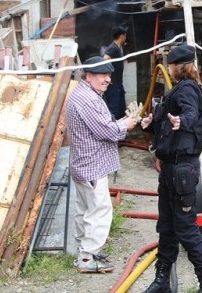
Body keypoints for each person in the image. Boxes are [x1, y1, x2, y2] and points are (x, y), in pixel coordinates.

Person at [140, 44, 202, 293]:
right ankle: (162, 281)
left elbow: (191, 114)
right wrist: (151, 124)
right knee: (167, 226)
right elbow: (168, 125)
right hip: (170, 168)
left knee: (185, 226)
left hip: (183, 169)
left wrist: (181, 120)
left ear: (178, 67)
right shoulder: (176, 92)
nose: (169, 71)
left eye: (171, 66)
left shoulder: (187, 90)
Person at [67, 56, 138, 273]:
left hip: (84, 163)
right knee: (100, 211)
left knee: (85, 210)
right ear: (88, 76)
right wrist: (127, 124)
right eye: (102, 75)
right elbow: (106, 131)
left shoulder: (85, 94)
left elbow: (101, 126)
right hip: (92, 165)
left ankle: (84, 252)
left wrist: (121, 122)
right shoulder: (87, 99)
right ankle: (87, 259)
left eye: (109, 75)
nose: (107, 79)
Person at [103, 25, 128, 119]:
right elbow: (104, 60)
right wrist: (108, 77)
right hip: (113, 86)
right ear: (122, 36)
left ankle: (121, 131)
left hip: (118, 85)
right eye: (125, 36)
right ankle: (113, 132)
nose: (126, 38)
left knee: (122, 111)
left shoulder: (118, 48)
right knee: (114, 111)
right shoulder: (113, 48)